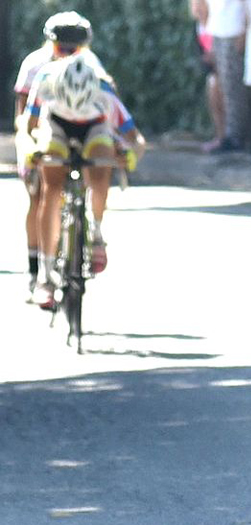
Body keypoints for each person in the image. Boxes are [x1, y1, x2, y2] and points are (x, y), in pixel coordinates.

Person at [26, 53, 135, 311]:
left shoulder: (106, 93)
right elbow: (28, 129)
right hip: (56, 126)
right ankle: (45, 275)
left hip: (95, 128)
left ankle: (95, 232)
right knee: (51, 187)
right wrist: (31, 151)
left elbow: (134, 138)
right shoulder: (44, 83)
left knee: (102, 162)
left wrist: (128, 154)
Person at [13, 11, 103, 300]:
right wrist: (29, 147)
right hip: (41, 133)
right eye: (61, 47)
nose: (67, 53)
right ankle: (37, 269)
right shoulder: (34, 64)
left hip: (79, 132)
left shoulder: (90, 65)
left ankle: (88, 237)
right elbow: (24, 115)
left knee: (97, 171)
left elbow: (107, 105)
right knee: (40, 195)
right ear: (49, 42)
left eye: (74, 48)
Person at [191, 0, 248, 154]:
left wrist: (244, 31)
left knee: (234, 88)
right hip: (218, 30)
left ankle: (236, 138)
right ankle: (228, 136)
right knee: (224, 87)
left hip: (234, 29)